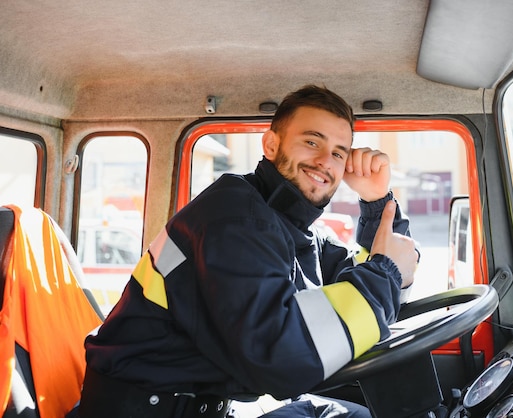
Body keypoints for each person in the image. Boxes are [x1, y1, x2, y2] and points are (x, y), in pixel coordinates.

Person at [76, 85, 419, 418]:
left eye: (339, 153)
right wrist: (385, 273)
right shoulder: (233, 220)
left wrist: (376, 204)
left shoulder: (289, 224)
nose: (324, 161)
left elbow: (374, 279)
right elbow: (281, 359)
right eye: (311, 141)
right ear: (271, 144)